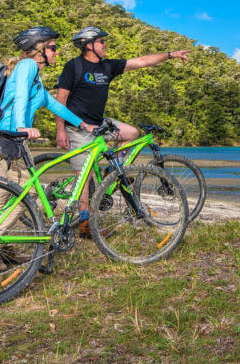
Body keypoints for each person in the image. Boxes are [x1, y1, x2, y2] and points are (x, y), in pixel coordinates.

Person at [55, 26, 190, 238]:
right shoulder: (74, 66)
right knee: (84, 178)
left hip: (99, 123)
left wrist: (170, 55)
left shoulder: (108, 66)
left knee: (131, 133)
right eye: (101, 41)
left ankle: (112, 171)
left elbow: (142, 61)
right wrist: (60, 129)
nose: (105, 44)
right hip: (78, 128)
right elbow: (60, 100)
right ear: (89, 45)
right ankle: (85, 224)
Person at [0, 26, 97, 270]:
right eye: (52, 47)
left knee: (4, 196)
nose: (56, 52)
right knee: (24, 198)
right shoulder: (27, 66)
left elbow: (54, 105)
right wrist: (22, 126)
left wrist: (82, 124)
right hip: (11, 138)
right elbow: (18, 97)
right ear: (39, 50)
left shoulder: (36, 79)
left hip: (8, 139)